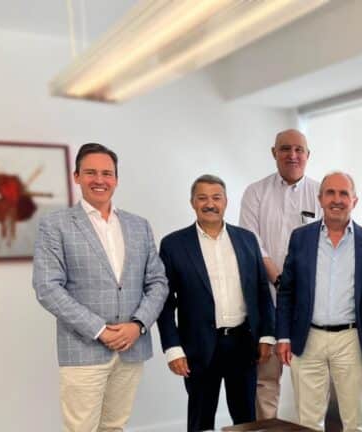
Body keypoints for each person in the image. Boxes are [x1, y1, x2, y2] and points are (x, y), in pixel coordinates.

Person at [33, 143, 168, 432]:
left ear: (116, 179)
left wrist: (138, 325)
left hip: (131, 346)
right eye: (90, 172)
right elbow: (47, 287)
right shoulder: (55, 225)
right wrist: (99, 330)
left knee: (115, 427)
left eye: (107, 173)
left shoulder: (139, 225)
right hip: (84, 349)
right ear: (76, 176)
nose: (99, 180)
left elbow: (158, 282)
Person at [157, 175, 275, 432]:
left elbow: (261, 291)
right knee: (200, 421)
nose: (210, 204)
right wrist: (173, 348)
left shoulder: (247, 239)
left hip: (243, 344)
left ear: (225, 202)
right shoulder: (174, 245)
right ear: (192, 202)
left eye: (216, 197)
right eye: (202, 198)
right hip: (198, 347)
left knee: (246, 419)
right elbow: (164, 303)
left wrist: (267, 334)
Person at [276, 172, 362, 432]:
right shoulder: (300, 238)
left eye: (344, 194)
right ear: (320, 199)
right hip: (307, 338)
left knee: (355, 421)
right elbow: (287, 290)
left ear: (354, 201)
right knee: (308, 421)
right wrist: (283, 336)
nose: (337, 199)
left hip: (351, 339)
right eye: (330, 193)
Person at [239, 129, 321, 419]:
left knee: (309, 384)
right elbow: (252, 245)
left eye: (299, 149)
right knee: (265, 382)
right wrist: (280, 280)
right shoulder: (255, 192)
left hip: (309, 309)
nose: (292, 155)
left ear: (308, 155)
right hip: (267, 305)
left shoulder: (321, 194)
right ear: (274, 153)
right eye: (285, 149)